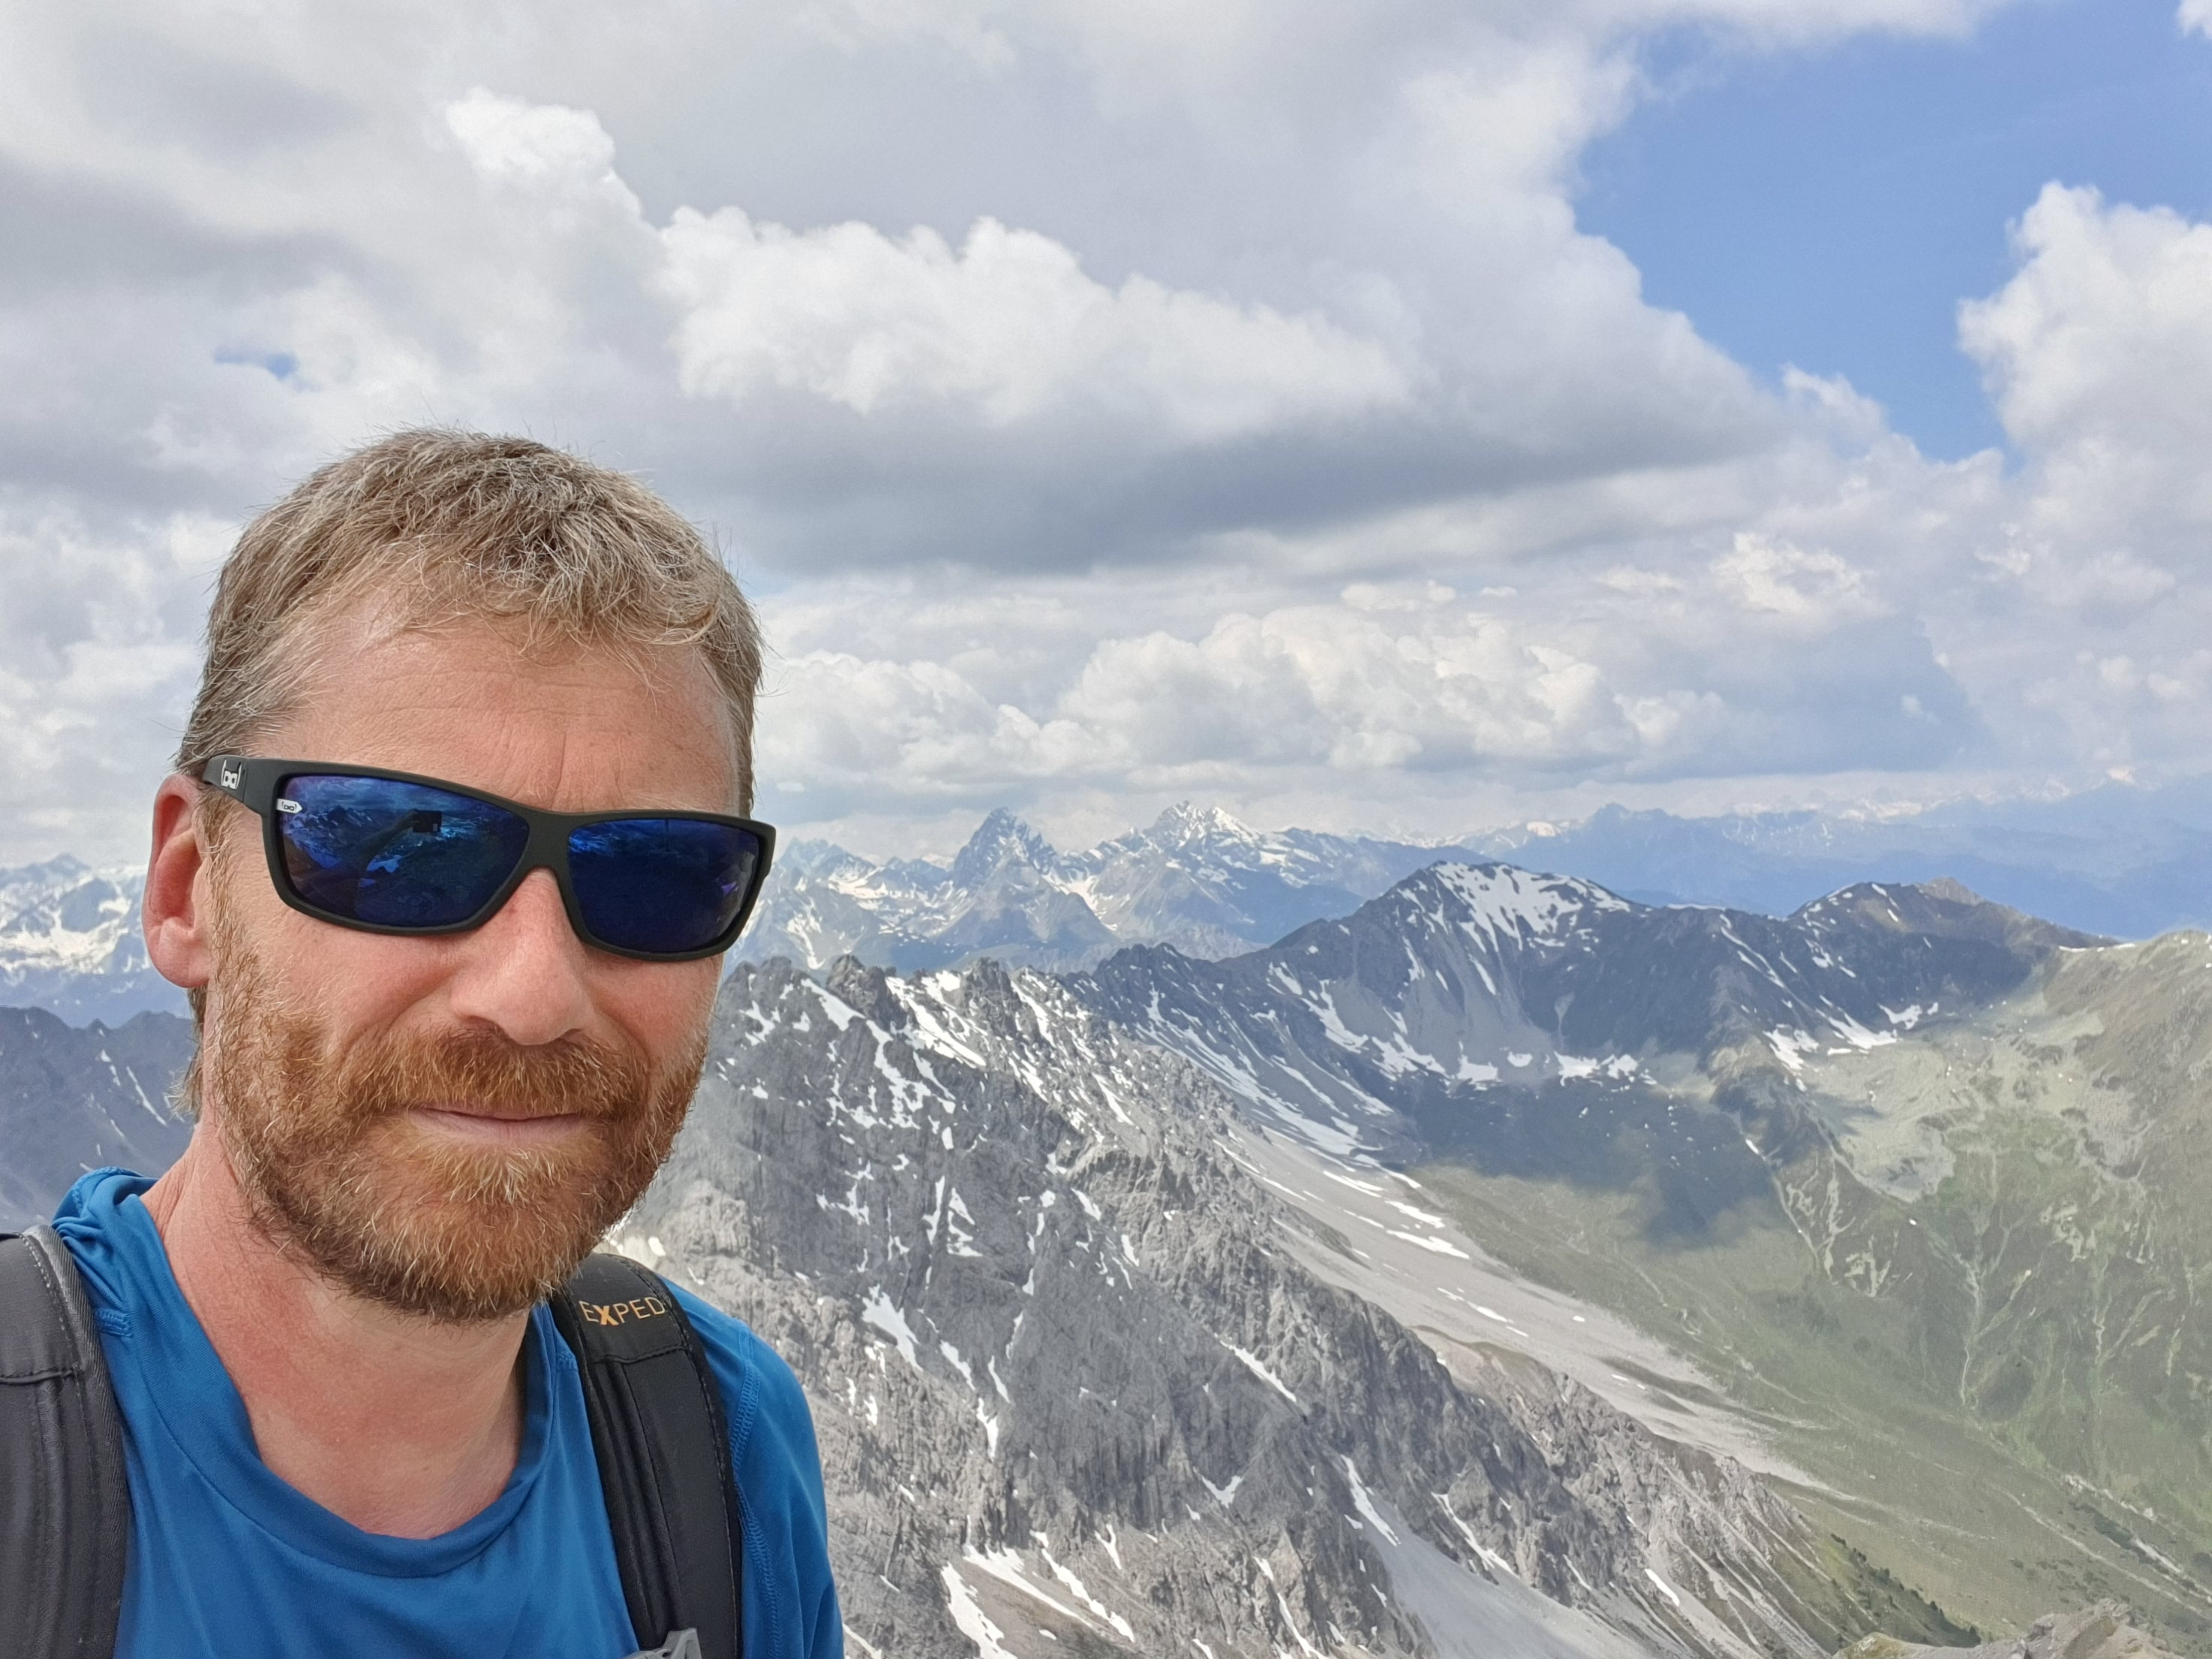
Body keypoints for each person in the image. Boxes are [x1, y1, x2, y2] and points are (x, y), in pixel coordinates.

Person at [44, 431, 841, 1656]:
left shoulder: (722, 1444)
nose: (534, 995)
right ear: (188, 886)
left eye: (656, 874)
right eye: (400, 851)